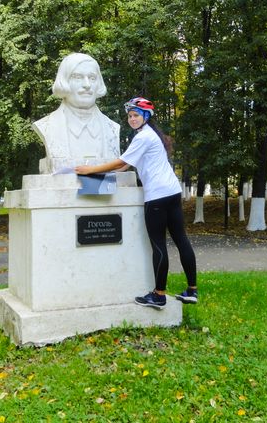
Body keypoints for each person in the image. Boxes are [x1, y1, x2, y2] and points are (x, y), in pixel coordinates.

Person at [75, 97, 198, 309]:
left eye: (136, 115)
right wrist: (101, 172)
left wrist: (90, 170)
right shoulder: (152, 135)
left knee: (158, 245)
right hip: (172, 192)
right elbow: (125, 166)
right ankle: (192, 290)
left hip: (157, 197)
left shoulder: (143, 137)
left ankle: (159, 295)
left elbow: (121, 163)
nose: (132, 119)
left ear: (146, 116)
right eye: (130, 116)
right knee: (181, 240)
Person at [32, 53, 120, 173]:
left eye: (92, 78)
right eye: (78, 77)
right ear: (64, 81)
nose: (87, 85)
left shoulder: (112, 128)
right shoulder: (47, 126)